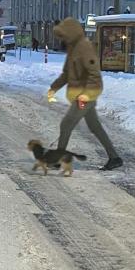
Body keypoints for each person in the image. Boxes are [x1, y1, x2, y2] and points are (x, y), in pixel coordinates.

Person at [48, 17, 122, 171]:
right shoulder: (73, 49)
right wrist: (54, 88)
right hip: (81, 95)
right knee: (95, 127)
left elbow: (95, 75)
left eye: (63, 36)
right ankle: (114, 158)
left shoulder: (84, 48)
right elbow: (66, 74)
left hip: (84, 96)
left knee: (66, 124)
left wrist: (87, 95)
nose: (62, 40)